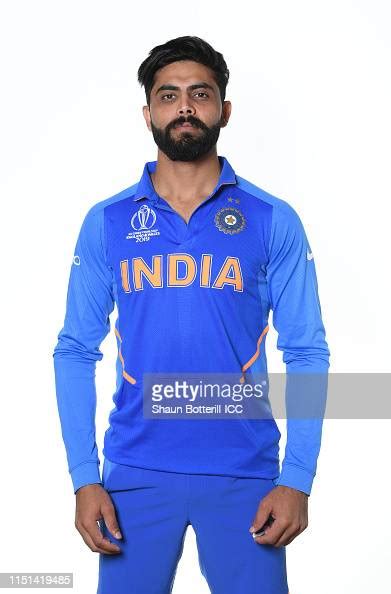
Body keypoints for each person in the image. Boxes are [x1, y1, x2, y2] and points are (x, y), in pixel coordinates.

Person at [53, 35, 330, 594]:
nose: (184, 107)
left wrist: (297, 478)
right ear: (148, 112)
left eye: (200, 94)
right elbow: (75, 351)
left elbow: (306, 351)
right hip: (134, 474)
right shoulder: (106, 222)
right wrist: (85, 477)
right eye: (168, 94)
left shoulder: (272, 219)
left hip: (245, 475)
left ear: (223, 110)